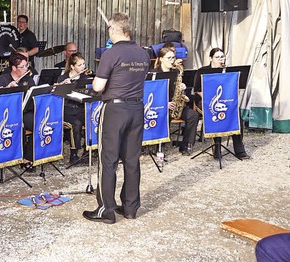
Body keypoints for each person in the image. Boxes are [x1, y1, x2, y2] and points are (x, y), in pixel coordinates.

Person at [83, 13, 150, 224]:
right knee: (132, 160)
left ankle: (106, 209)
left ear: (113, 30)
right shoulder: (143, 53)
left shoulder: (111, 54)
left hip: (115, 110)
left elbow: (98, 86)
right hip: (137, 108)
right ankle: (130, 208)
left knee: (108, 159)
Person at [199, 47, 250, 160]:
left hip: (225, 101)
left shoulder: (228, 72)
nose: (220, 59)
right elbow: (197, 89)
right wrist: (208, 98)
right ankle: (216, 149)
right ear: (211, 58)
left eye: (222, 57)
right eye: (217, 57)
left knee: (235, 117)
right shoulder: (203, 71)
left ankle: (240, 150)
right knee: (216, 115)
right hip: (208, 101)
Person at [153, 47, 200, 155]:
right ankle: (158, 147)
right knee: (164, 117)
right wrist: (164, 104)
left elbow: (180, 93)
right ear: (161, 59)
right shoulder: (155, 74)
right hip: (160, 106)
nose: (172, 60)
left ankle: (186, 145)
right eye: (169, 58)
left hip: (176, 105)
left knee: (193, 115)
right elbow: (151, 94)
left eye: (173, 57)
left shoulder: (176, 73)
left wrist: (183, 88)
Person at [55, 52, 88, 164]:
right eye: (80, 65)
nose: (83, 67)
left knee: (90, 120)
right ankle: (73, 155)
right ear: (72, 66)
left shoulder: (84, 78)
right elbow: (57, 96)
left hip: (79, 108)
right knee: (76, 124)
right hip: (67, 109)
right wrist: (64, 86)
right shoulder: (63, 77)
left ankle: (86, 151)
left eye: (83, 64)